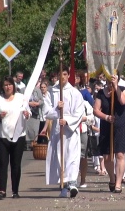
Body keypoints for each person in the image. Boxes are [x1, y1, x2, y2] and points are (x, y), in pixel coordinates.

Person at [41, 66, 84, 198]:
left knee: (72, 157)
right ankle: (64, 185)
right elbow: (46, 113)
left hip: (70, 131)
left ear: (68, 75)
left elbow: (79, 111)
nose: (63, 77)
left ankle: (72, 183)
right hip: (57, 131)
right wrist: (56, 109)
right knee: (60, 158)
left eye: (65, 74)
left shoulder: (75, 92)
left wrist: (67, 120)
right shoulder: (51, 92)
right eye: (60, 74)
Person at [0, 76, 31, 200]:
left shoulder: (20, 98)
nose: (8, 87)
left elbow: (28, 112)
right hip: (2, 136)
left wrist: (27, 114)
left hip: (18, 135)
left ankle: (15, 191)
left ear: (13, 86)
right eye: (5, 85)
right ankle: (2, 190)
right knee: (2, 163)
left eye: (10, 85)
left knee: (16, 164)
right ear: (2, 86)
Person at [93, 74, 125, 194]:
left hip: (121, 124)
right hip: (107, 124)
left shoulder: (124, 90)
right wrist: (106, 117)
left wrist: (116, 87)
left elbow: (122, 101)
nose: (110, 83)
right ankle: (112, 178)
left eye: (113, 81)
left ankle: (119, 182)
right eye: (109, 81)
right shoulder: (101, 93)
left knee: (120, 154)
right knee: (108, 156)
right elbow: (96, 110)